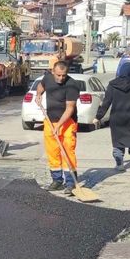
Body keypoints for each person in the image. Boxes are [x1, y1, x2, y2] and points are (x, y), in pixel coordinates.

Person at [93, 61, 130, 171]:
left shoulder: (112, 84)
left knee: (118, 141)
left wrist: (98, 117)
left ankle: (119, 163)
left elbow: (106, 102)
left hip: (117, 118)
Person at [35, 61, 79, 194]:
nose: (61, 78)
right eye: (58, 75)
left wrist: (59, 125)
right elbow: (40, 86)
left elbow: (70, 108)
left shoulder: (72, 85)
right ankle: (57, 180)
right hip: (50, 121)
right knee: (52, 151)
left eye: (63, 76)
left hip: (67, 122)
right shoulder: (47, 78)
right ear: (53, 72)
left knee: (67, 151)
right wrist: (38, 95)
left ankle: (71, 183)